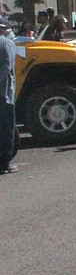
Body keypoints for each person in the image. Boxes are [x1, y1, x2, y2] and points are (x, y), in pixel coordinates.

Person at [0, 17, 16, 174]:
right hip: (4, 93)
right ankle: (5, 162)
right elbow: (6, 67)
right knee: (6, 128)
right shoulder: (7, 43)